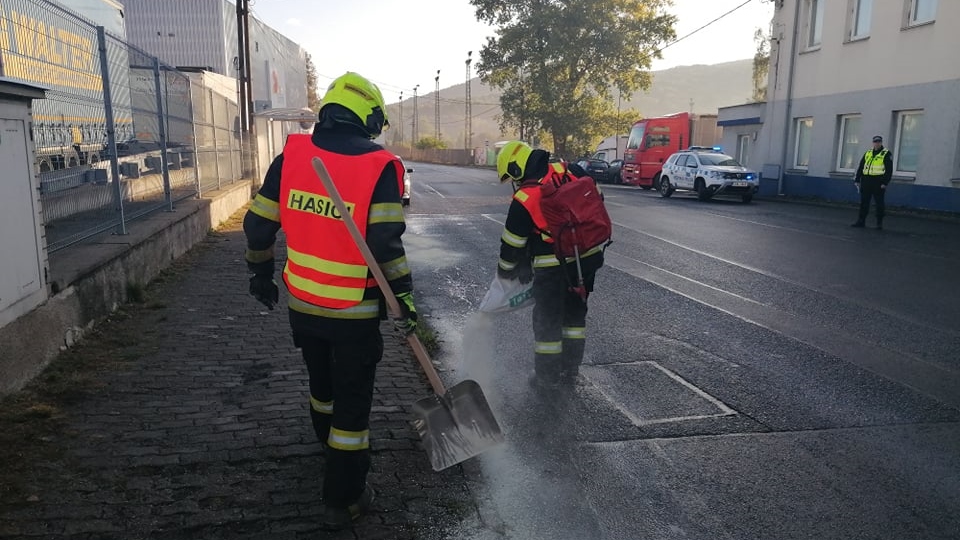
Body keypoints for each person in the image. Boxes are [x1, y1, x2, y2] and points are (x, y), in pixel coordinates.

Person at [243, 72, 416, 530]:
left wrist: (260, 272)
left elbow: (259, 225)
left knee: (322, 387)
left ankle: (325, 445)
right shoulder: (380, 166)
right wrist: (405, 299)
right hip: (355, 313)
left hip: (303, 305)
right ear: (369, 118)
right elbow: (386, 246)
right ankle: (345, 497)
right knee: (352, 409)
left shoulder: (292, 155)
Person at [495, 141, 605, 389]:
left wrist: (506, 271)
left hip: (553, 268)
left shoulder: (525, 198)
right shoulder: (571, 170)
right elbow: (597, 199)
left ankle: (547, 378)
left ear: (516, 169)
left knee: (548, 322)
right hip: (587, 258)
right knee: (575, 316)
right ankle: (571, 370)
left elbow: (511, 245)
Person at [852, 135, 893, 229]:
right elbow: (861, 166)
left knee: (879, 203)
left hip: (878, 182)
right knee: (864, 202)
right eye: (875, 142)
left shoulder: (886, 154)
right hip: (866, 180)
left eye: (878, 142)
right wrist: (857, 179)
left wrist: (885, 183)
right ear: (873, 143)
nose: (877, 143)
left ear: (881, 142)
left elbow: (889, 170)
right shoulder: (868, 153)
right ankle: (861, 221)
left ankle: (879, 223)